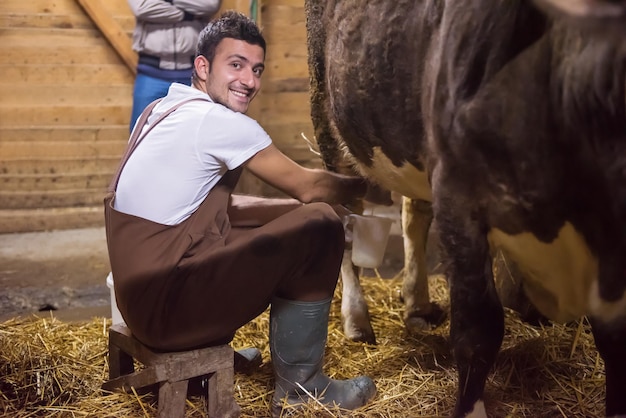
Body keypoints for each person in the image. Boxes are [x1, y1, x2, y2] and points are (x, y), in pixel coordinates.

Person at [104, 10, 377, 417]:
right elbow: (309, 186)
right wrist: (372, 184)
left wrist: (295, 208)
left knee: (295, 217)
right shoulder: (218, 123)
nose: (249, 81)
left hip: (139, 305)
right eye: (236, 65)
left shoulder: (161, 110)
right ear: (202, 66)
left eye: (257, 69)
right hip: (168, 311)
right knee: (320, 227)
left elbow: (216, 207)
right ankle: (301, 391)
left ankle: (211, 346)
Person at [126, 0, 222, 131]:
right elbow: (142, 7)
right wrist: (189, 15)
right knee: (140, 134)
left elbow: (209, 4)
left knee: (198, 132)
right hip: (151, 73)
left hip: (194, 74)